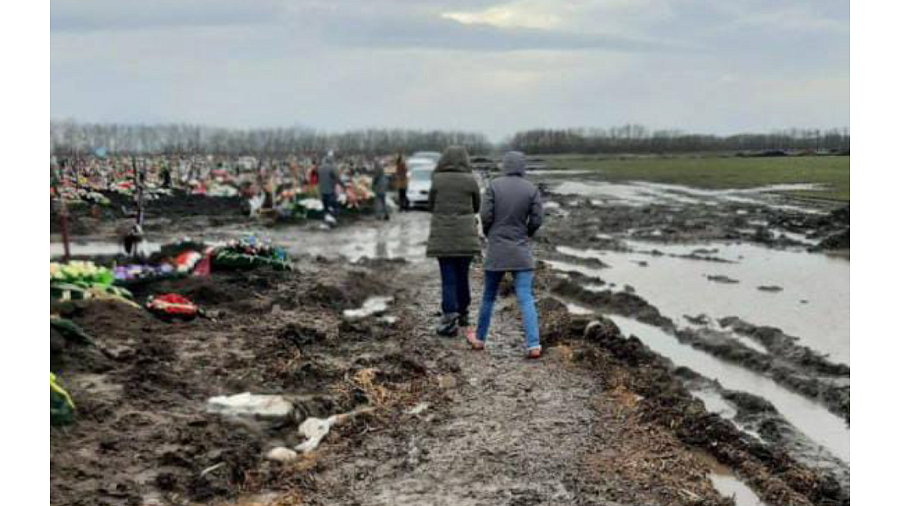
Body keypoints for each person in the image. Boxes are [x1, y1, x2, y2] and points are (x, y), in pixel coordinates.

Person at [470, 151, 544, 358]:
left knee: (488, 297)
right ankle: (533, 345)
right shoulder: (531, 189)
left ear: (504, 165)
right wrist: (526, 233)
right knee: (525, 298)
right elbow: (538, 219)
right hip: (521, 250)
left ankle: (479, 339)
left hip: (497, 251)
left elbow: (485, 215)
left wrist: (489, 233)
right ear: (522, 167)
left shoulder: (494, 186)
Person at [426, 146, 481, 337]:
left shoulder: (437, 179)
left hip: (443, 237)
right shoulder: (470, 179)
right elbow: (477, 206)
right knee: (463, 275)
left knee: (448, 278)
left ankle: (450, 319)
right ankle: (464, 313)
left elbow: (431, 204)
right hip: (466, 236)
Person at [316, 151, 342, 218]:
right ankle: (335, 217)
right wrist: (343, 185)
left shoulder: (319, 168)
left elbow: (317, 180)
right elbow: (337, 178)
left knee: (325, 207)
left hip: (322, 191)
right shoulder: (331, 168)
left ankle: (326, 217)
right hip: (330, 190)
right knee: (335, 205)